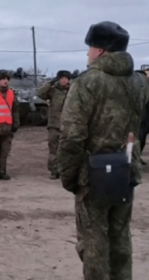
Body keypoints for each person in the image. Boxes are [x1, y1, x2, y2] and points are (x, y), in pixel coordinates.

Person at [57, 21, 149, 280]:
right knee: (120, 235)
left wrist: (68, 175)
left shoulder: (87, 82)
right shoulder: (140, 82)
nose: (88, 53)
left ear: (100, 50)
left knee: (93, 239)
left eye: (90, 47)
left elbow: (72, 136)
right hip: (126, 168)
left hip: (94, 171)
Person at [37, 70, 71, 179]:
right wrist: (50, 83)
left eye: (66, 78)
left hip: (68, 125)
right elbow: (40, 94)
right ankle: (54, 171)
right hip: (54, 125)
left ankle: (65, 170)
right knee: (53, 149)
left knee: (67, 150)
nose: (63, 80)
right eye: (61, 78)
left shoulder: (73, 90)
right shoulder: (53, 90)